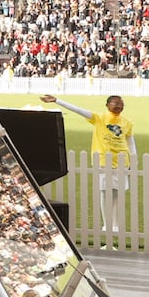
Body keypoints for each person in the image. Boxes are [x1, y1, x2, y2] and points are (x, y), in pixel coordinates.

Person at [40, 94, 135, 231]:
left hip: (122, 162)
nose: (119, 106)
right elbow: (78, 110)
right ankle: (107, 224)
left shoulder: (127, 122)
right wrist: (57, 101)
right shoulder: (99, 118)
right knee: (105, 192)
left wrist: (133, 159)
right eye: (115, 103)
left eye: (121, 104)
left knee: (118, 194)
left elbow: (130, 142)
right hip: (103, 161)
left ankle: (116, 224)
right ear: (107, 105)